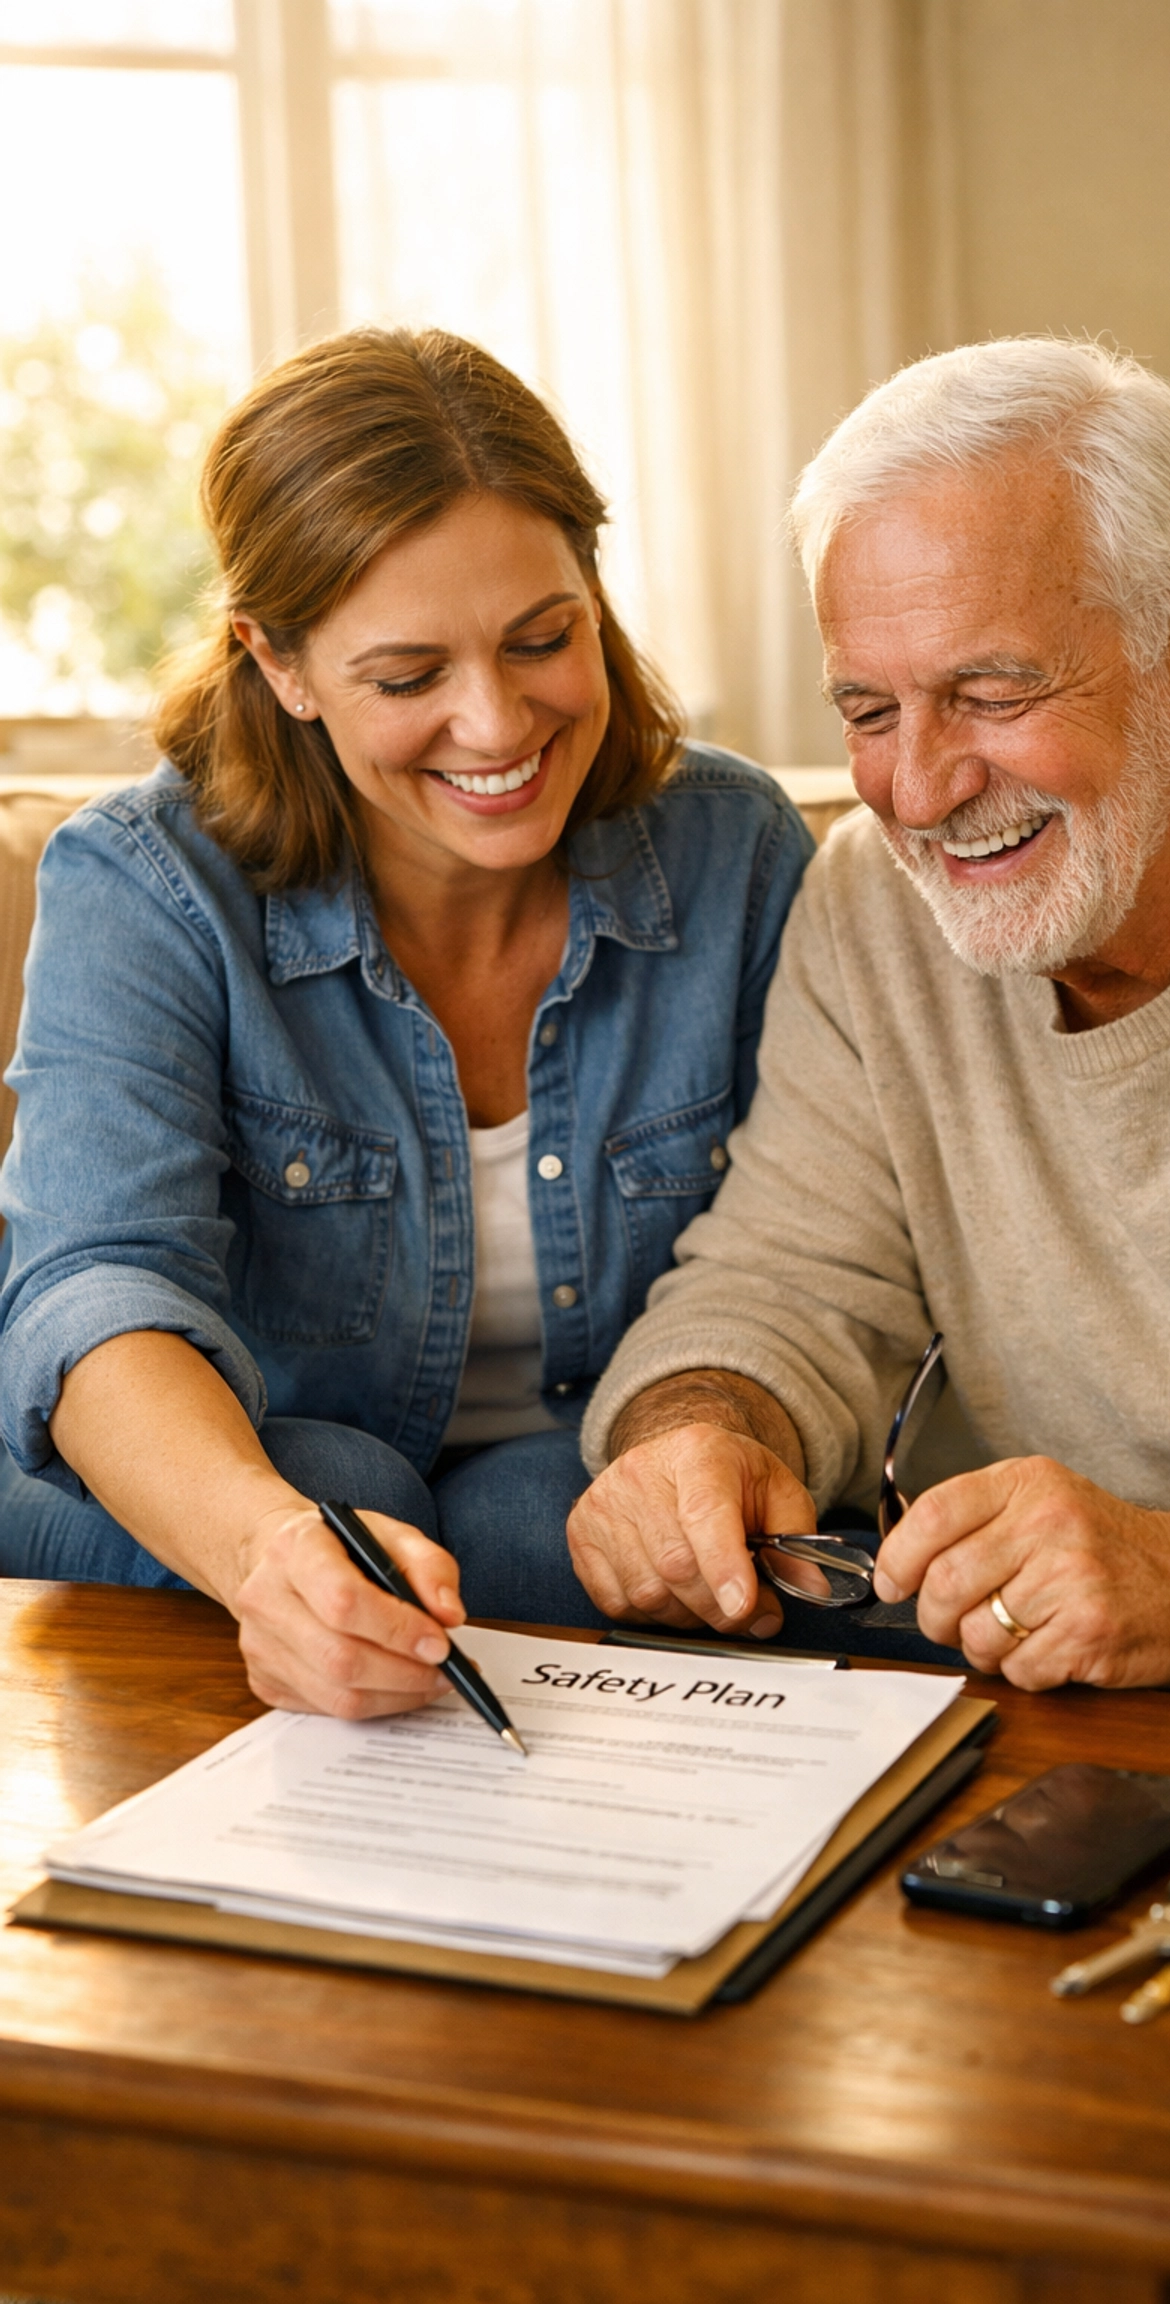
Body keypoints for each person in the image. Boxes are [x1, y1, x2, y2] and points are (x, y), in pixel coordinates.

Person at [556, 339, 1170, 2293]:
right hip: (1033, 1643)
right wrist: (700, 1432)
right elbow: (786, 1279)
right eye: (870, 710)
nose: (922, 788)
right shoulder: (871, 903)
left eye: (992, 694)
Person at [0, 325, 813, 1726]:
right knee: (343, 1488)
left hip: (555, 1477)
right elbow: (97, 1290)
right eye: (407, 677)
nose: (496, 725)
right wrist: (265, 1550)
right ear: (281, 663)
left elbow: (812, 1249)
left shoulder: (733, 852)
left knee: (534, 1517)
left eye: (543, 639)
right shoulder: (145, 883)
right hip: (212, 1477)